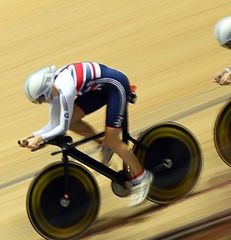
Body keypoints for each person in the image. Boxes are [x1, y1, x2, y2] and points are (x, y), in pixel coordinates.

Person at [17, 62, 153, 206]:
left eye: (41, 99)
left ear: (45, 91)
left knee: (113, 140)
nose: (43, 102)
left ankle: (143, 178)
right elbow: (53, 124)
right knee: (72, 122)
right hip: (99, 89)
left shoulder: (65, 88)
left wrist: (41, 138)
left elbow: (61, 128)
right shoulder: (53, 87)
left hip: (116, 86)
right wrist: (32, 136)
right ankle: (103, 145)